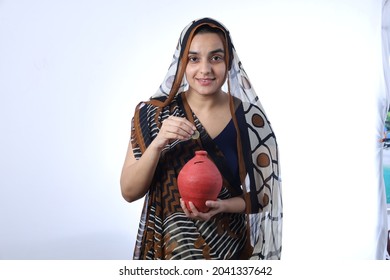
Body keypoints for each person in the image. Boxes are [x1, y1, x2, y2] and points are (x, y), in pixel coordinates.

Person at [120, 18, 282, 260]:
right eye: (194, 59)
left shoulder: (249, 118)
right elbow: (129, 192)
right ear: (181, 62)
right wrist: (158, 142)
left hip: (229, 251)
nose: (205, 69)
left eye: (216, 58)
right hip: (168, 251)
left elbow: (263, 197)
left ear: (229, 62)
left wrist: (223, 206)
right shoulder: (153, 114)